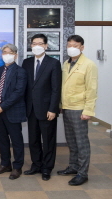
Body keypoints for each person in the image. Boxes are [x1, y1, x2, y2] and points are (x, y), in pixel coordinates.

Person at [57, 35, 98, 186]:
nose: (71, 47)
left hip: (80, 109)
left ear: (82, 47)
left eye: (75, 45)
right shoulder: (66, 64)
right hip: (67, 108)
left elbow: (92, 89)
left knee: (82, 143)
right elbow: (64, 86)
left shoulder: (89, 65)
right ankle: (73, 166)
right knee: (71, 141)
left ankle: (82, 173)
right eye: (69, 45)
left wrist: (88, 110)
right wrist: (61, 105)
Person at [22, 34, 62, 181]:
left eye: (40, 43)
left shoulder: (53, 63)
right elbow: (25, 87)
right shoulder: (26, 62)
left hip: (47, 110)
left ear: (46, 46)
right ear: (31, 46)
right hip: (31, 109)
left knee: (48, 140)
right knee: (33, 140)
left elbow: (56, 89)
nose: (36, 46)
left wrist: (53, 109)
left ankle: (47, 168)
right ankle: (36, 165)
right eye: (34, 43)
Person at [0, 44, 27, 180]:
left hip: (12, 111)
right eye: (4, 52)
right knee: (2, 140)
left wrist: (3, 106)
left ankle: (17, 167)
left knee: (16, 140)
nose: (7, 54)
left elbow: (18, 92)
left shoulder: (21, 71)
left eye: (10, 52)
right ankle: (5, 164)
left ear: (15, 55)